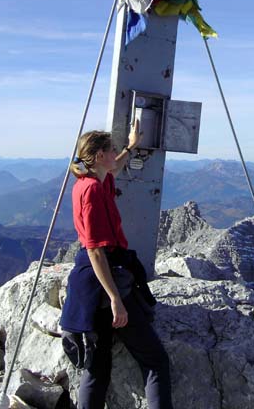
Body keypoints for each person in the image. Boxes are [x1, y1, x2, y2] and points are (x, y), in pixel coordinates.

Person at [60, 125, 173, 409]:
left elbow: (115, 168)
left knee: (97, 370)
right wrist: (115, 300)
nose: (114, 154)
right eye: (110, 150)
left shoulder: (90, 181)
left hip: (87, 284)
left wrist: (131, 147)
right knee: (156, 361)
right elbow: (96, 250)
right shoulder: (93, 193)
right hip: (104, 279)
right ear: (99, 155)